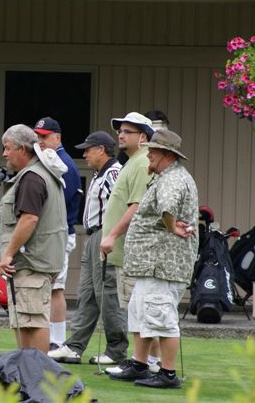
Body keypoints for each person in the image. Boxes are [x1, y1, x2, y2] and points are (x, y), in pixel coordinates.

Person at [109, 129, 198, 389]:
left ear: (166, 155)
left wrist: (171, 226)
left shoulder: (171, 180)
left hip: (163, 264)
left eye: (152, 152)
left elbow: (167, 208)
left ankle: (167, 373)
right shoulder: (166, 176)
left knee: (161, 316)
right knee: (140, 312)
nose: (148, 156)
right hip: (152, 264)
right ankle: (140, 364)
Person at [48, 131, 125, 364]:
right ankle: (75, 346)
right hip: (93, 237)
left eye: (88, 149)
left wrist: (112, 236)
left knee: (107, 293)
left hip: (105, 234)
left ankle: (116, 350)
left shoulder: (114, 173)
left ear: (101, 149)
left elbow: (123, 207)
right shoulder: (99, 174)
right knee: (87, 293)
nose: (85, 154)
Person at [0, 124, 68, 353]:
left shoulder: (32, 177)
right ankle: (29, 375)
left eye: (7, 148)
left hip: (31, 262)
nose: (4, 154)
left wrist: (8, 254)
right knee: (25, 321)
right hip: (38, 260)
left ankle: (36, 378)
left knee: (33, 320)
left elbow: (29, 219)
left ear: (23, 149)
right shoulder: (41, 174)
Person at [98, 112, 155, 368]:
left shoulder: (142, 162)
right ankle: (143, 360)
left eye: (128, 131)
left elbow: (136, 206)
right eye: (120, 130)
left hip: (133, 251)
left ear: (143, 137)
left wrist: (111, 235)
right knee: (134, 309)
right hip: (124, 251)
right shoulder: (132, 161)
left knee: (139, 310)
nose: (120, 134)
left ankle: (147, 361)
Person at [32, 117, 82, 349]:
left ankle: (58, 341)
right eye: (38, 136)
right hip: (53, 233)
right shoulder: (51, 160)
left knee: (55, 288)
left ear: (57, 137)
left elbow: (59, 203)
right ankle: (51, 339)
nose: (40, 141)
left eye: (44, 136)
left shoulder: (64, 164)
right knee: (50, 287)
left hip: (60, 233)